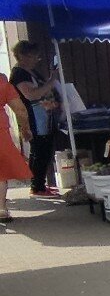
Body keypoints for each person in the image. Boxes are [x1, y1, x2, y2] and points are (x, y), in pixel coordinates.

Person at [10, 40, 60, 198]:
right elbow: (31, 95)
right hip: (33, 118)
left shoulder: (32, 72)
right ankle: (37, 186)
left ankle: (39, 184)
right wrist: (52, 81)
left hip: (44, 117)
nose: (36, 60)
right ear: (22, 56)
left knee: (42, 150)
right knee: (39, 151)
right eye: (33, 56)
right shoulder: (19, 74)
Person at [0, 72, 34, 221]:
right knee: (1, 172)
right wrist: (25, 129)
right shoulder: (3, 85)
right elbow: (21, 110)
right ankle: (1, 209)